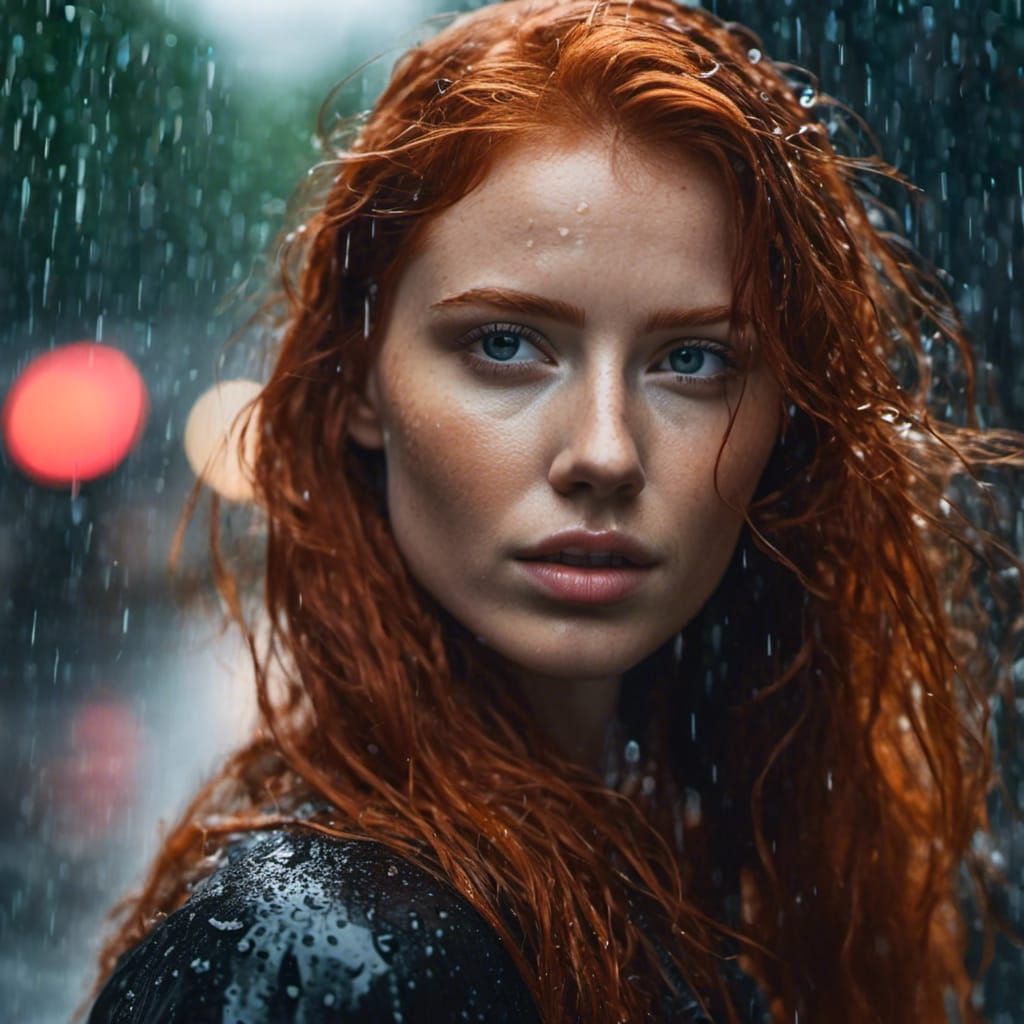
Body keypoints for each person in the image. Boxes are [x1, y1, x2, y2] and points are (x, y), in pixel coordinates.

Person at [86, 1, 1024, 1021]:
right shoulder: (324, 953)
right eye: (504, 345)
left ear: (784, 421)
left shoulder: (716, 863)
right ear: (357, 381)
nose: (606, 453)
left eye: (691, 359)